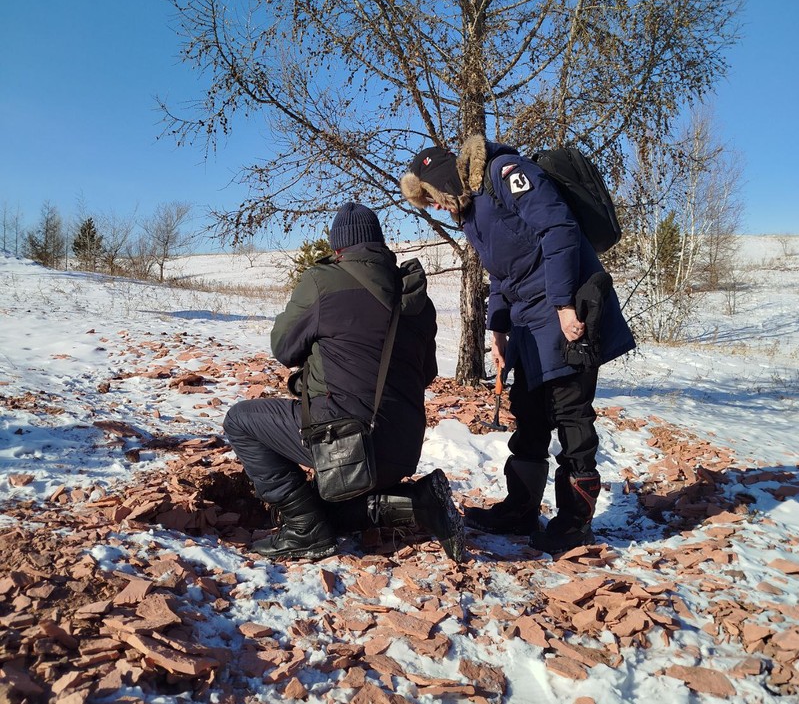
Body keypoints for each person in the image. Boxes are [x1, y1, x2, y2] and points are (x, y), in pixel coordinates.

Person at [401, 135, 635, 554]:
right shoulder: (472, 213)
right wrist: (498, 332)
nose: (433, 207)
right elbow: (502, 275)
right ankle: (521, 510)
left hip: (568, 308)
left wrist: (564, 305)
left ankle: (574, 524)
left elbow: (559, 229)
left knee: (571, 414)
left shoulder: (506, 173)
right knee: (529, 413)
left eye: (431, 197)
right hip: (529, 322)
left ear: (445, 182)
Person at [223, 202, 464, 563]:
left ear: (338, 249)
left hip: (349, 444)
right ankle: (421, 501)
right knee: (325, 506)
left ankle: (303, 529)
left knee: (240, 420)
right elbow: (427, 373)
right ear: (380, 244)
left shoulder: (323, 282)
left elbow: (283, 347)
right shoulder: (415, 295)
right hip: (403, 447)